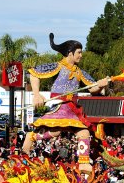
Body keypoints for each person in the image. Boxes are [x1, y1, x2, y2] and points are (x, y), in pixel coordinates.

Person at [22, 33, 108, 174]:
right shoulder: (57, 66)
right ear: (70, 53)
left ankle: (84, 163)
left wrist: (101, 85)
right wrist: (36, 94)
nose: (81, 55)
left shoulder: (80, 72)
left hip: (73, 108)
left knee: (83, 132)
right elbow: (34, 73)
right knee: (56, 131)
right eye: (79, 52)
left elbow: (92, 88)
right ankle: (31, 137)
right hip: (59, 105)